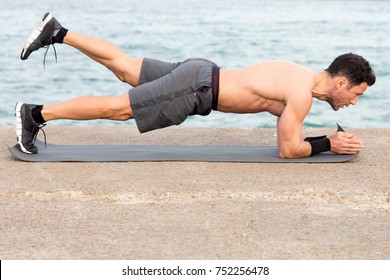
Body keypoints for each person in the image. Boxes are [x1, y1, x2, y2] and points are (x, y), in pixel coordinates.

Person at [16, 12, 376, 158]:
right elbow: (287, 149)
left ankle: (58, 32)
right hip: (197, 89)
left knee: (126, 67)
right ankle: (35, 114)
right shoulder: (301, 93)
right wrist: (327, 142)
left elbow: (286, 127)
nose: (353, 102)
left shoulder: (300, 74)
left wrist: (322, 137)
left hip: (202, 71)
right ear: (342, 81)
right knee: (119, 108)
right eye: (355, 94)